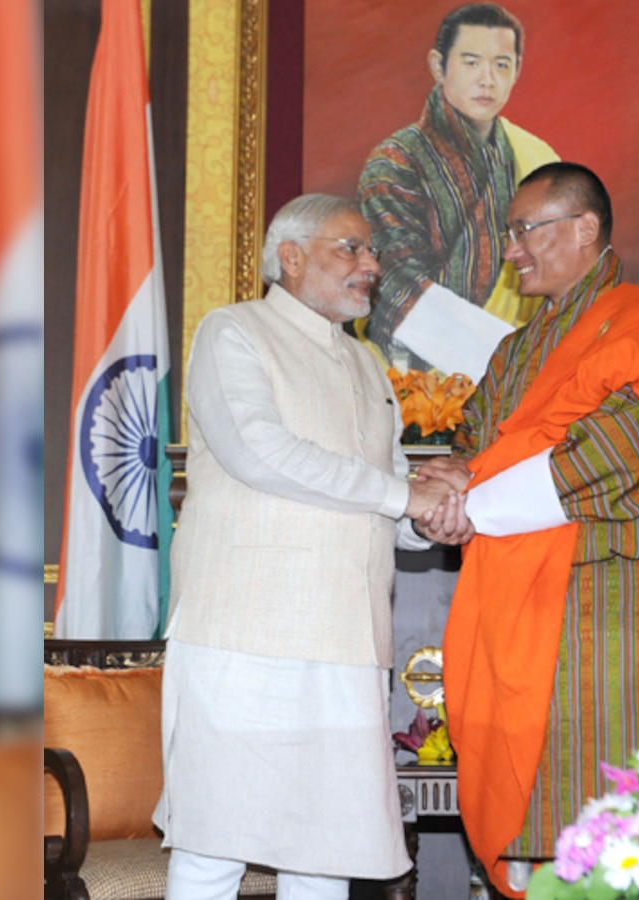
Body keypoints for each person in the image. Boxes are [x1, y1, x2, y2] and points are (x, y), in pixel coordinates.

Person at [416, 163, 639, 897]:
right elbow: (476, 436)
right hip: (518, 600)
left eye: (525, 230)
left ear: (584, 229)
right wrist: (445, 478)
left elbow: (609, 459)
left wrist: (465, 505)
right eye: (509, 232)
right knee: (535, 803)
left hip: (621, 602)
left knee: (627, 806)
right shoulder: (516, 350)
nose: (512, 249)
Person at [152, 194, 455, 900]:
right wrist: (402, 498)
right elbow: (261, 453)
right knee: (212, 845)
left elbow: (391, 492)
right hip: (243, 633)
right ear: (289, 258)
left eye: (372, 251)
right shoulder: (233, 332)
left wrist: (428, 520)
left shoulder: (367, 363)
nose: (371, 264)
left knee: (326, 854)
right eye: (350, 248)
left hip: (348, 643)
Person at [356, 2, 558, 380]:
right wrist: (500, 362)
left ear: (518, 70)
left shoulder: (535, 158)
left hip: (517, 375)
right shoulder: (395, 162)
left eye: (501, 64)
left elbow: (562, 275)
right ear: (438, 65)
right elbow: (394, 283)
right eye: (470, 62)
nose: (487, 79)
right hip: (405, 377)